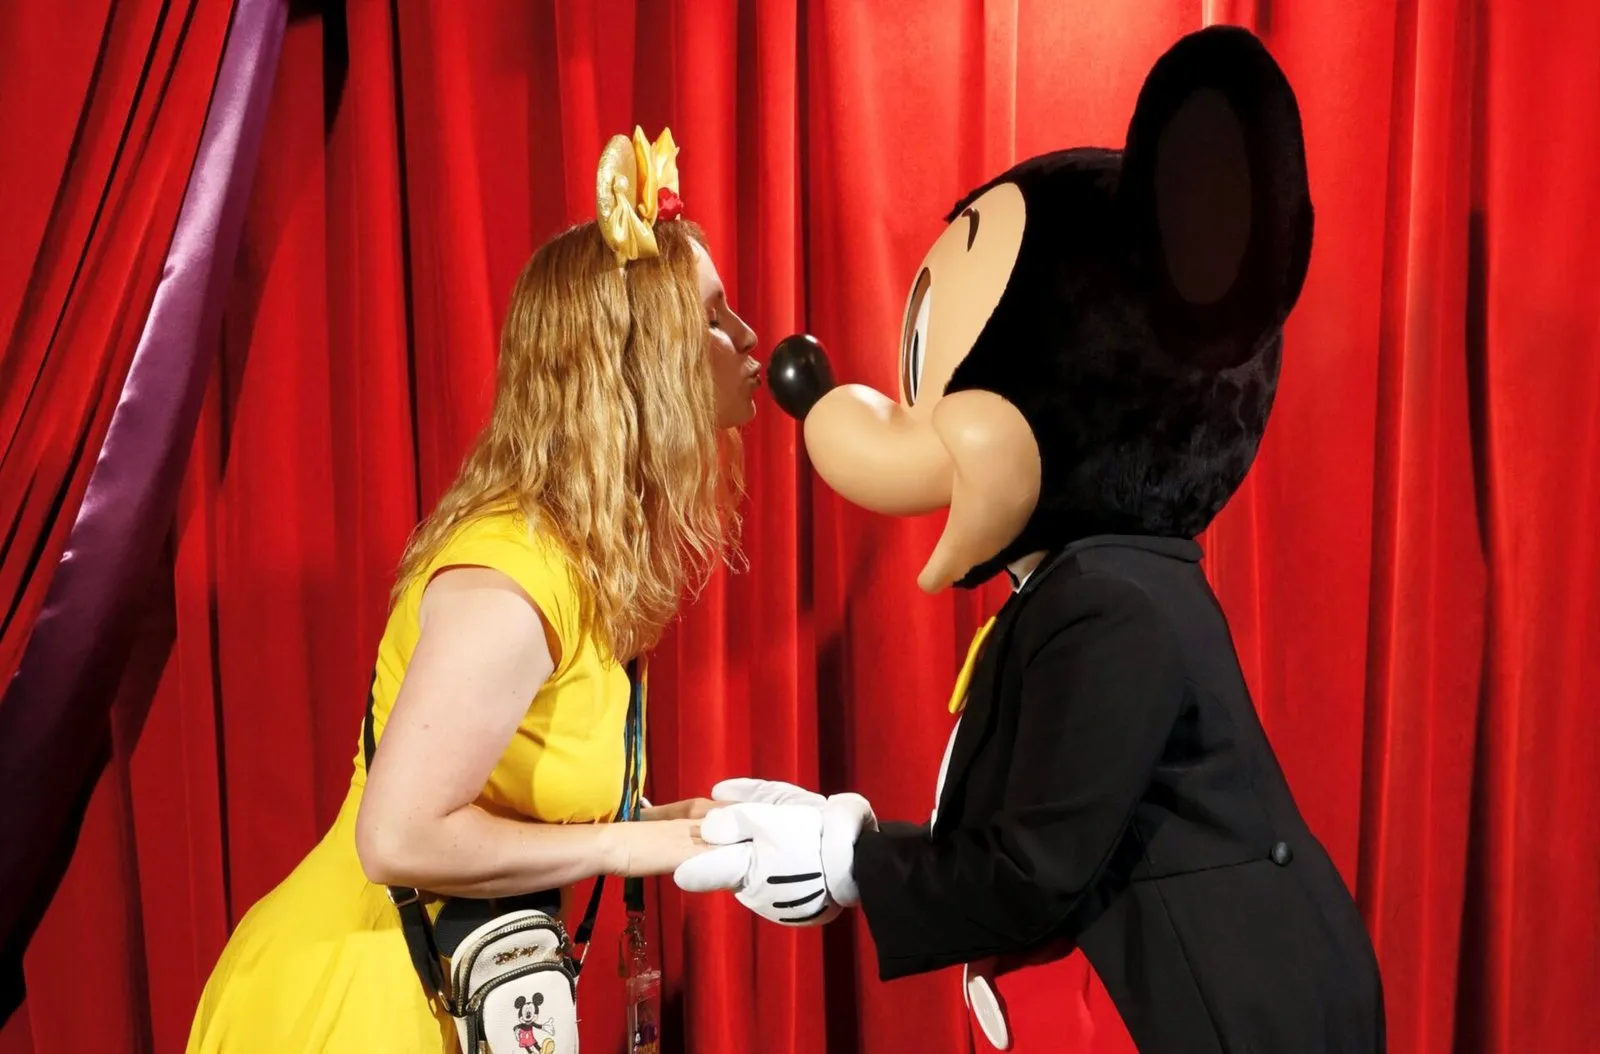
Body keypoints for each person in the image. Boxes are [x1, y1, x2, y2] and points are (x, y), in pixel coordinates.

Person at [681, 27, 1385, 1054]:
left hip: (1211, 1013)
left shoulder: (1114, 603)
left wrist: (849, 858)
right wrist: (850, 842)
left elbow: (1031, 869)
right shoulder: (1086, 586)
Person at [187, 127, 761, 1053]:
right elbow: (399, 840)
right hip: (356, 1004)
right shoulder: (509, 573)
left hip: (443, 996)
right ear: (639, 363)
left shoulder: (580, 561)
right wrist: (630, 846)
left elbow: (513, 811)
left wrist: (670, 824)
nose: (748, 338)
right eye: (715, 317)